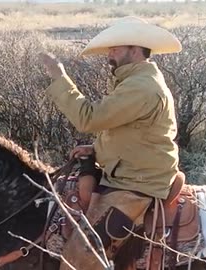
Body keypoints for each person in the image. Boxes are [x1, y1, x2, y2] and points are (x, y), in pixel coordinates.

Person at [40, 16, 182, 269]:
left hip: (137, 182)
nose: (110, 54)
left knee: (79, 259)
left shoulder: (141, 87)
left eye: (115, 48)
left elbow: (89, 119)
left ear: (135, 50)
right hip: (131, 172)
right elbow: (133, 133)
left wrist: (58, 76)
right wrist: (97, 150)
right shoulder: (135, 81)